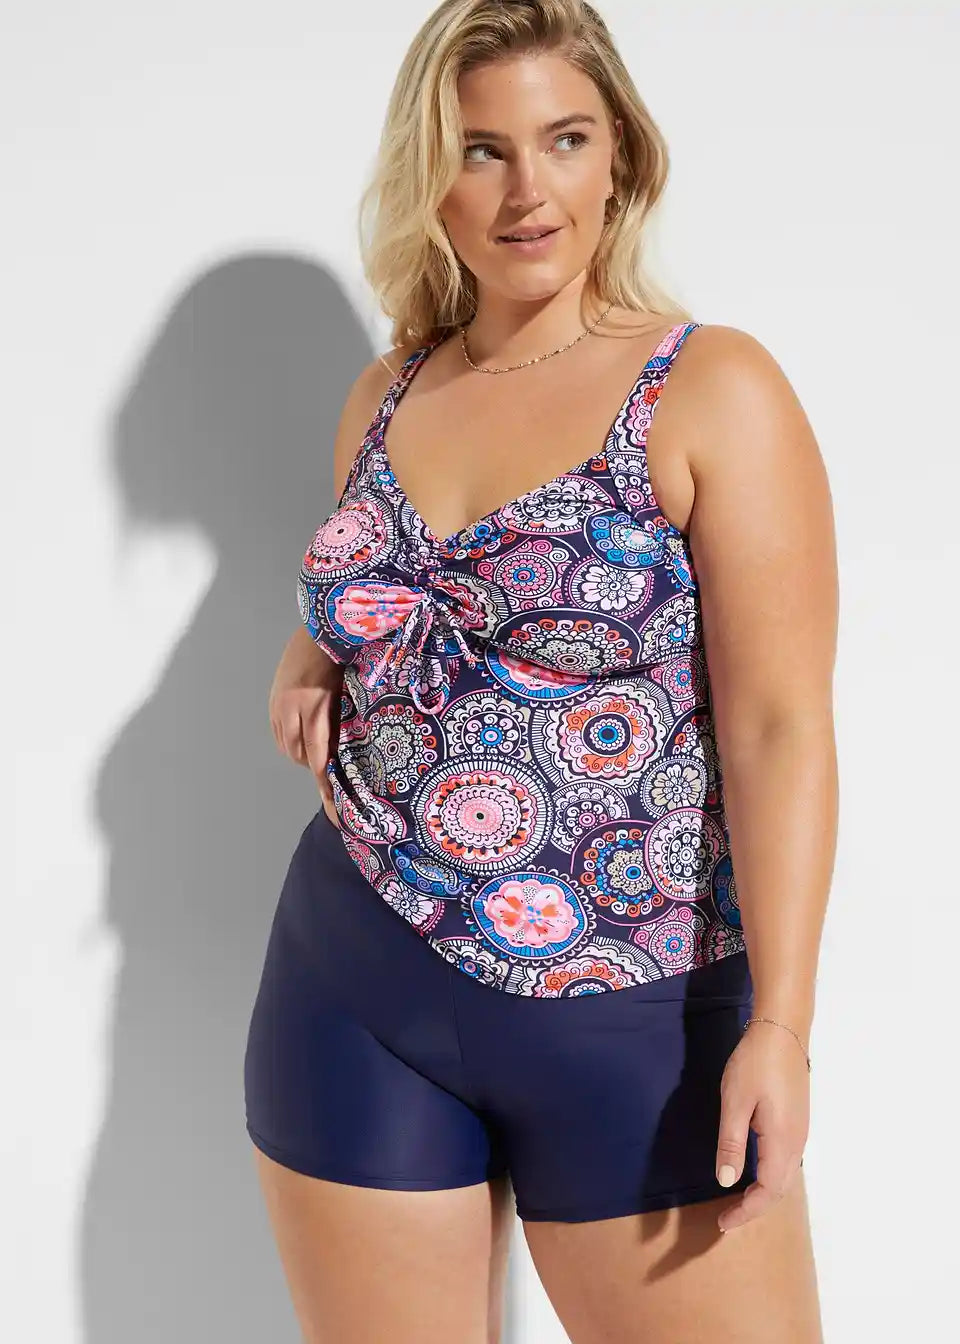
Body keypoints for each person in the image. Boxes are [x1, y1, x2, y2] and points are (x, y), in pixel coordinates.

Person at [243, 1, 837, 1340]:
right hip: (355, 980)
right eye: (482, 150)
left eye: (565, 139)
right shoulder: (387, 393)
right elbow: (388, 580)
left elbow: (782, 726)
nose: (528, 191)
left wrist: (783, 1029)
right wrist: (310, 647)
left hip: (636, 1014)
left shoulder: (709, 387)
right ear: (430, 177)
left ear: (621, 153)